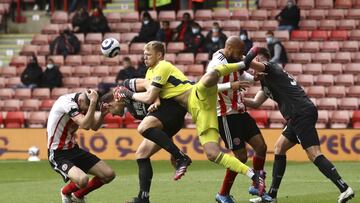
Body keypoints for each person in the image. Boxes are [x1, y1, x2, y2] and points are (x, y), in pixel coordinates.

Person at [114, 40, 270, 201]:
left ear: (159, 55)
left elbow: (149, 96)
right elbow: (155, 98)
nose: (144, 58)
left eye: (148, 54)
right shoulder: (149, 74)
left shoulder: (163, 66)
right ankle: (253, 175)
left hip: (196, 95)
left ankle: (243, 63)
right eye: (143, 55)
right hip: (201, 112)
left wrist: (128, 93)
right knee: (213, 154)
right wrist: (154, 105)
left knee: (209, 77)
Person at [241, 47, 355, 203]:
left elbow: (250, 64)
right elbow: (255, 103)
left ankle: (344, 188)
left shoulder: (271, 68)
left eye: (256, 63)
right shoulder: (266, 84)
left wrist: (240, 58)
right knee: (279, 148)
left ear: (260, 61)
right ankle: (272, 196)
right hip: (297, 115)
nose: (253, 72)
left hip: (300, 113)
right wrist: (237, 100)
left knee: (314, 154)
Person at [101, 81, 188, 203]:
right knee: (141, 154)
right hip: (172, 122)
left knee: (143, 128)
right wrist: (172, 152)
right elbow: (160, 129)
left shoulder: (125, 86)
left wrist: (156, 100)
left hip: (173, 107)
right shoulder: (134, 111)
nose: (113, 116)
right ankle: (143, 198)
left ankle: (182, 158)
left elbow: (149, 83)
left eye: (110, 113)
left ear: (109, 105)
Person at [206, 40, 270, 203]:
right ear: (229, 48)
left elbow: (242, 75)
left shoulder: (235, 59)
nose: (242, 54)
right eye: (240, 50)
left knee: (261, 147)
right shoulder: (216, 63)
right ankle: (223, 194)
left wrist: (254, 77)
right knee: (240, 157)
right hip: (226, 115)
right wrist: (230, 85)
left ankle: (256, 185)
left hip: (240, 111)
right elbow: (207, 86)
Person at [47, 89, 115, 203]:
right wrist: (93, 104)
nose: (86, 111)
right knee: (83, 180)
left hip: (73, 149)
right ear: (81, 100)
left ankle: (77, 196)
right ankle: (65, 192)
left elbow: (94, 127)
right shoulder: (67, 103)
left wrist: (102, 114)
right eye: (86, 108)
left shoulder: (83, 103)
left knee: (108, 174)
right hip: (58, 153)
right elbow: (85, 125)